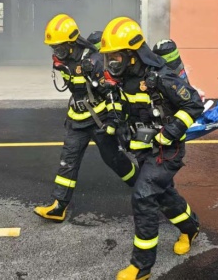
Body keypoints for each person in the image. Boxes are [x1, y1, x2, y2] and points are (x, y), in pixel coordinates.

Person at [99, 17, 204, 280]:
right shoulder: (125, 78)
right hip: (144, 149)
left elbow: (194, 104)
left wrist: (170, 132)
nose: (112, 63)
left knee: (143, 196)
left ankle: (141, 267)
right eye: (109, 57)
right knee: (164, 195)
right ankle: (191, 228)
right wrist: (114, 123)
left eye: (116, 57)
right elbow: (123, 106)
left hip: (167, 151)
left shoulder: (161, 77)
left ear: (132, 55)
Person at [34, 14, 139, 222]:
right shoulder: (63, 62)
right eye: (53, 47)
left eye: (59, 47)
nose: (56, 52)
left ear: (71, 43)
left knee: (113, 159)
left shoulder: (94, 61)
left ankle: (141, 187)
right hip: (77, 119)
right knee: (68, 160)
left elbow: (112, 92)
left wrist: (113, 121)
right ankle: (59, 206)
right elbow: (75, 90)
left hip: (99, 119)